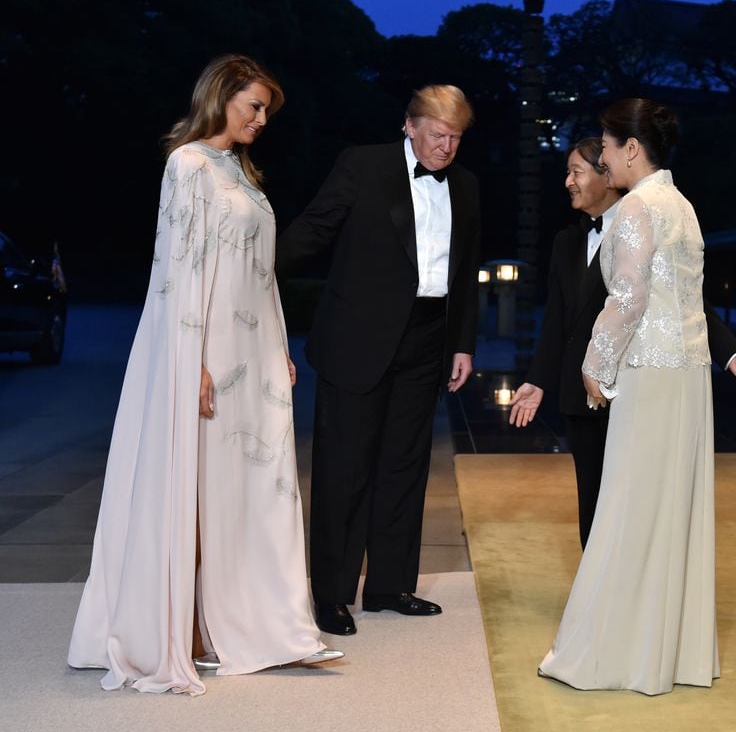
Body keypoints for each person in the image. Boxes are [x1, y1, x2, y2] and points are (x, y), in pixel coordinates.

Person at [68, 54, 341, 696]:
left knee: (248, 488)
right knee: (197, 483)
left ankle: (248, 624)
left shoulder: (240, 173)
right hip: (207, 351)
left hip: (253, 358)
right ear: (220, 98)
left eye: (267, 109)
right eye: (254, 105)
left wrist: (278, 348)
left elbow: (262, 271)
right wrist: (190, 362)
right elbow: (176, 272)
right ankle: (183, 627)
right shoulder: (187, 165)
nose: (262, 118)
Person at [276, 85, 480, 636]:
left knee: (404, 466)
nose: (448, 147)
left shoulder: (466, 186)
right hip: (358, 338)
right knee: (345, 468)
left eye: (457, 137)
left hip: (426, 340)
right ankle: (332, 594)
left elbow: (465, 274)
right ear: (408, 125)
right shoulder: (363, 165)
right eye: (438, 135)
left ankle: (391, 585)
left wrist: (462, 343)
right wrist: (254, 270)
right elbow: (315, 229)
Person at [509, 137, 736, 547]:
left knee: (632, 504)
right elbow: (558, 320)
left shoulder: (646, 219)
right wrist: (538, 379)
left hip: (632, 388)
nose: (568, 182)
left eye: (576, 171)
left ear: (607, 174)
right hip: (580, 392)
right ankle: (598, 602)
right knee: (591, 500)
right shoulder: (566, 242)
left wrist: (731, 352)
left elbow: (689, 301)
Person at [538, 98, 718, 694]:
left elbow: (629, 297)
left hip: (645, 369)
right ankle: (668, 654)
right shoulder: (683, 205)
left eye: (608, 146)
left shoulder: (639, 207)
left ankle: (613, 652)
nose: (604, 155)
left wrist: (596, 363)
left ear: (631, 149)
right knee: (670, 509)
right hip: (689, 374)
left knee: (627, 505)